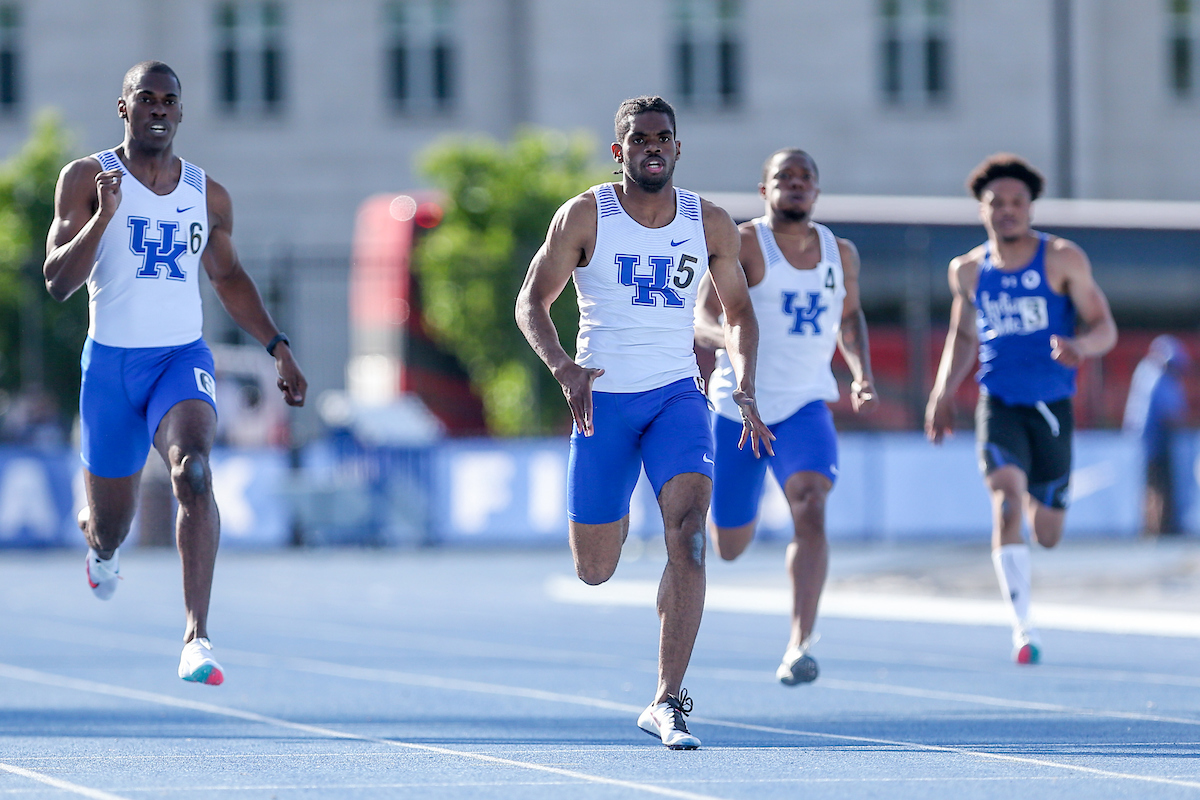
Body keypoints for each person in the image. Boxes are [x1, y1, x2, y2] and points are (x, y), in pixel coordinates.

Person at [515, 96, 772, 750]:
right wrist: (564, 368)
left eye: (663, 138)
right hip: (603, 400)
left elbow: (738, 312)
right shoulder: (584, 215)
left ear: (678, 149)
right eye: (639, 139)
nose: (652, 147)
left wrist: (742, 381)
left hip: (676, 397)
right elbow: (531, 302)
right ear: (619, 151)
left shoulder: (710, 223)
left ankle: (667, 699)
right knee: (595, 569)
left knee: (688, 537)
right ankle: (621, 513)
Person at [43, 61, 306, 685]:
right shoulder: (86, 177)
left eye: (169, 101)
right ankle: (99, 546)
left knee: (194, 471)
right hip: (110, 369)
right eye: (146, 99)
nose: (158, 109)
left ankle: (196, 636)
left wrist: (277, 346)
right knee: (113, 527)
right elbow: (56, 281)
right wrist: (103, 218)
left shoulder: (206, 194)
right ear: (124, 108)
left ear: (181, 113)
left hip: (179, 360)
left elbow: (229, 278)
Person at [925, 153, 1116, 665]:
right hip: (999, 401)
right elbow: (962, 334)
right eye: (997, 203)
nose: (1007, 211)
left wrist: (1082, 347)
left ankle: (1046, 497)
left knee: (1047, 533)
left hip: (1052, 407)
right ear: (982, 209)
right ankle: (1021, 629)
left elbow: (1105, 326)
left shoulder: (1062, 258)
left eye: (1017, 202)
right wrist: (943, 390)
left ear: (1031, 207)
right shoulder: (966, 270)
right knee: (1006, 502)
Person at [695, 148, 876, 685]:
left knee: (812, 503)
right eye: (784, 177)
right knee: (730, 544)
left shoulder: (840, 253)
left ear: (817, 191)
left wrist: (861, 372)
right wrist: (729, 341)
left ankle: (801, 642)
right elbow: (702, 317)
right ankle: (716, 515)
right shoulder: (745, 243)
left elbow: (851, 317)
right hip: (739, 407)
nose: (795, 185)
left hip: (804, 405)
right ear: (764, 189)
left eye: (805, 178)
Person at [1123, 335, 1191, 535]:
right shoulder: (1158, 376)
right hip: (1157, 441)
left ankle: (1151, 527)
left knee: (1151, 485)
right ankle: (1159, 528)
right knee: (1159, 485)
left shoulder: (1145, 371)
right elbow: (1171, 415)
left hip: (1144, 440)